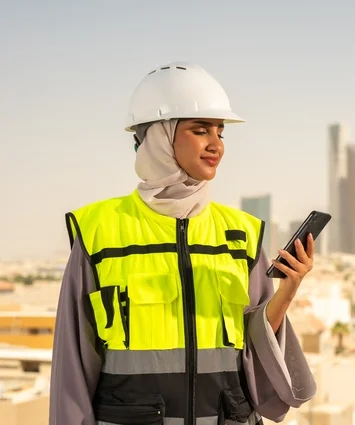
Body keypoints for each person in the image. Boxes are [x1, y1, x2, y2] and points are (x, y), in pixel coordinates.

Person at [49, 62, 317, 425]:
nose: (216, 145)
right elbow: (73, 367)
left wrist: (288, 290)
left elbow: (255, 350)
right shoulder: (99, 231)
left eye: (221, 133)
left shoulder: (240, 233)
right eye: (200, 130)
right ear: (160, 135)